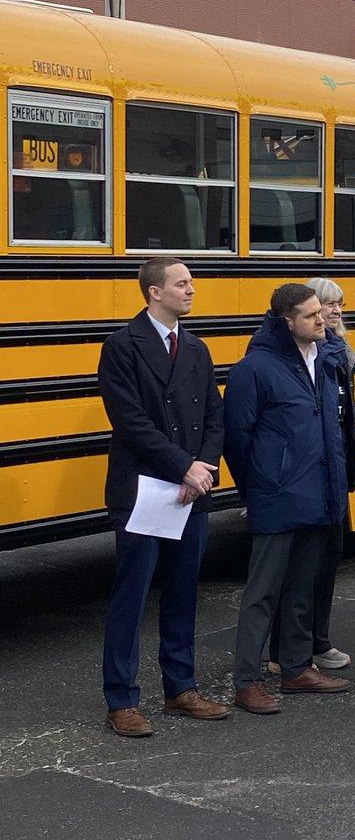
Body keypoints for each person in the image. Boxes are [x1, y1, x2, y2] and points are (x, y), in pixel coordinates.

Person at [99, 258, 229, 737]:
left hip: (190, 490)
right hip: (145, 489)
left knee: (182, 592)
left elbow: (215, 415)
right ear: (154, 292)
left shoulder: (195, 347)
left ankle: (181, 687)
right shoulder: (122, 345)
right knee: (131, 595)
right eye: (182, 283)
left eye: (191, 282)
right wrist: (183, 466)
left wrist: (204, 469)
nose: (192, 290)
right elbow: (129, 420)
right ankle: (122, 699)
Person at [225, 284, 351, 715]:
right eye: (312, 314)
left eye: (323, 312)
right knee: (263, 592)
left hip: (321, 494)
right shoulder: (255, 368)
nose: (323, 319)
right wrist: (260, 486)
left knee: (302, 588)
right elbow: (237, 438)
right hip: (278, 496)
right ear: (286, 321)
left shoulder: (327, 360)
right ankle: (247, 680)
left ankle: (296, 668)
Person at [267, 277, 355, 674]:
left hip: (333, 472)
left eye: (337, 305)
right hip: (306, 475)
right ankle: (288, 650)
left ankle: (317, 640)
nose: (332, 313)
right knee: (300, 567)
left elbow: (343, 421)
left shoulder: (337, 353)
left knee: (328, 558)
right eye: (324, 306)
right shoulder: (310, 356)